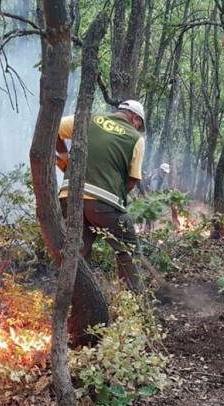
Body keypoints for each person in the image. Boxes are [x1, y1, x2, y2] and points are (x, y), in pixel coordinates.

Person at [55, 100, 146, 293]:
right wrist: (114, 199)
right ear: (135, 118)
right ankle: (134, 305)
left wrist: (64, 157)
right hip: (104, 203)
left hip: (69, 197)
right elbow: (132, 180)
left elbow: (54, 128)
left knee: (78, 251)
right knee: (127, 250)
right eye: (139, 124)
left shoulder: (89, 119)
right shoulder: (136, 138)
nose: (139, 127)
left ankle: (78, 302)